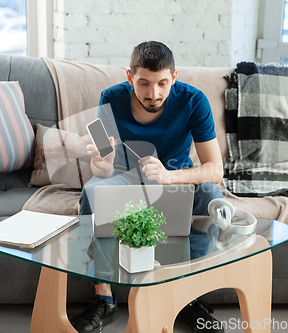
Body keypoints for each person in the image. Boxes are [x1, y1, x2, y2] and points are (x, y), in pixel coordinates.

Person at [74, 41, 225, 333]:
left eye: (162, 84)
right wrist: (101, 161)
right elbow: (101, 170)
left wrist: (169, 176)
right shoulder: (110, 98)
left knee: (210, 195)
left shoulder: (194, 101)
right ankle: (103, 298)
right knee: (92, 191)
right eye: (143, 83)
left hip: (174, 176)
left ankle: (190, 298)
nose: (153, 94)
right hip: (125, 177)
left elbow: (214, 169)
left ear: (174, 78)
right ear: (130, 77)